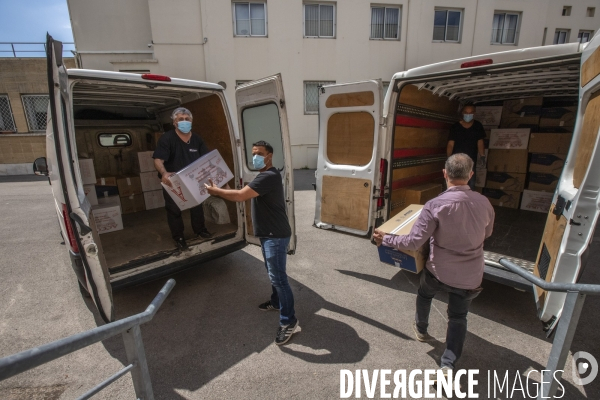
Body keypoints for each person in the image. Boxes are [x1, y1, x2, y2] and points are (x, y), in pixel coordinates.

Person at [373, 153, 495, 374]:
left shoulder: (435, 205)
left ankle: (421, 329)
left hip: (438, 271)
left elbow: (413, 241)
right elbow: (487, 233)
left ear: (445, 174)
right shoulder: (484, 202)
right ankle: (448, 364)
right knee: (458, 317)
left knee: (425, 293)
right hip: (470, 276)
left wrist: (386, 239)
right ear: (471, 175)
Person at [204, 140, 299, 345]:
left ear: (269, 156)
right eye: (253, 153)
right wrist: (225, 187)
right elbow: (241, 191)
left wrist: (218, 192)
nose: (255, 157)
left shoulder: (269, 176)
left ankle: (289, 321)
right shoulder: (263, 176)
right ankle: (276, 302)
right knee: (273, 273)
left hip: (275, 236)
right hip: (269, 234)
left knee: (279, 278)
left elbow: (240, 196)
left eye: (259, 153)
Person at [153, 107, 212, 251]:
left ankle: (200, 230)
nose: (184, 122)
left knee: (197, 205)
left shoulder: (197, 139)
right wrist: (164, 173)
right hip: (173, 180)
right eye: (180, 119)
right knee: (174, 210)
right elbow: (158, 159)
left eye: (187, 119)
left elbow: (206, 159)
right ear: (174, 122)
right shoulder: (167, 138)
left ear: (191, 121)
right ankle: (179, 237)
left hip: (194, 179)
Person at [447, 104, 487, 190]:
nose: (468, 115)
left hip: (470, 162)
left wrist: (482, 156)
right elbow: (450, 144)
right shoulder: (455, 127)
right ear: (462, 113)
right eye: (466, 112)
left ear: (474, 113)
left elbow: (480, 143)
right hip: (456, 161)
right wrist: (448, 158)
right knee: (454, 184)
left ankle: (467, 202)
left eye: (471, 113)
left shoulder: (478, 126)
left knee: (470, 185)